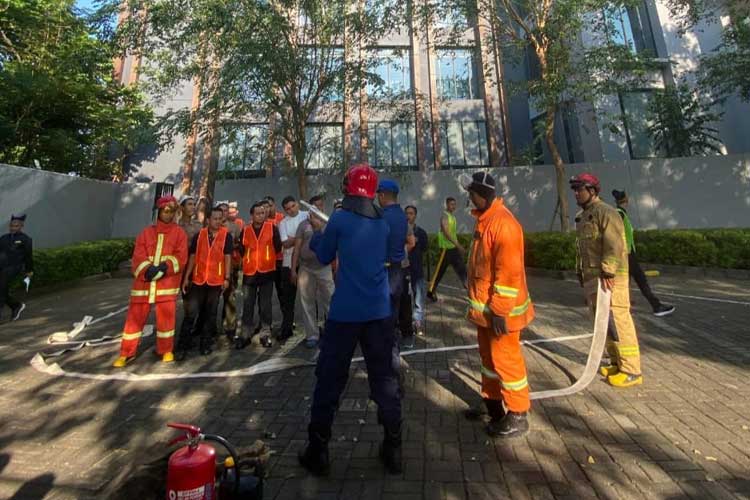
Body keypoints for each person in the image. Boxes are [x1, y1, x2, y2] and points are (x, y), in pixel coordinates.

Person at [299, 164, 402, 476]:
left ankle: (318, 450)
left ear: (348, 187)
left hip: (345, 314)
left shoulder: (340, 218)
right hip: (379, 312)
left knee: (330, 379)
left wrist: (318, 232)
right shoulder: (382, 223)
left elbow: (324, 254)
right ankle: (393, 447)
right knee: (384, 380)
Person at [461, 172, 535, 438]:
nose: (469, 197)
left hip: (500, 314)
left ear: (481, 195)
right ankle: (492, 403)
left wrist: (500, 311)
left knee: (506, 361)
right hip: (486, 313)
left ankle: (518, 414)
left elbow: (508, 273)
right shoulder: (487, 219)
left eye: (471, 193)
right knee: (488, 360)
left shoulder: (502, 224)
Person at [571, 174, 643, 388]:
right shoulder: (585, 216)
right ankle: (616, 361)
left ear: (592, 190)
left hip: (611, 279)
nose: (576, 193)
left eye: (579, 189)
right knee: (603, 322)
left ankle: (632, 370)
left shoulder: (606, 213)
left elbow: (615, 245)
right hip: (594, 278)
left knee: (618, 321)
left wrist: (609, 271)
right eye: (574, 189)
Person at [113, 196, 188, 367]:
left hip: (166, 285)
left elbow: (181, 257)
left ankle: (166, 350)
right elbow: (138, 256)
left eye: (172, 212)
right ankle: (126, 352)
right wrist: (148, 270)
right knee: (134, 320)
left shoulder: (179, 234)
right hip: (143, 285)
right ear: (159, 212)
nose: (168, 215)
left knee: (166, 321)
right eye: (165, 211)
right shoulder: (146, 233)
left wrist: (164, 267)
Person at [176, 206, 233, 360]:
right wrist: (187, 277)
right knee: (191, 313)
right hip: (198, 279)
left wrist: (227, 277)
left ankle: (205, 344)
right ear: (208, 220)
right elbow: (193, 257)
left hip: (216, 281)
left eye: (220, 219)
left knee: (210, 314)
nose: (217, 221)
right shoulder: (199, 235)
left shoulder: (226, 236)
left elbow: (227, 257)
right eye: (214, 218)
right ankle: (182, 345)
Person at [611, 190, 675, 317]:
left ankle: (622, 306)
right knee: (641, 281)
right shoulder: (619, 214)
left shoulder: (620, 213)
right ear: (626, 200)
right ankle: (656, 306)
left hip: (626, 254)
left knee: (625, 282)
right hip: (627, 254)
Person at [291, 195, 334, 349]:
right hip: (306, 268)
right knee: (307, 301)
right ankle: (312, 335)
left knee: (329, 300)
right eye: (315, 206)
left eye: (321, 205)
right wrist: (293, 270)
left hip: (324, 267)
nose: (319, 208)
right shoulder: (303, 225)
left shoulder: (329, 224)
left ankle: (331, 332)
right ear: (310, 208)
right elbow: (296, 248)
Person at [236, 202, 282, 348]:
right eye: (257, 213)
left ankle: (265, 333)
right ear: (252, 215)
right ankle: (245, 334)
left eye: (263, 213)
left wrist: (266, 257)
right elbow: (242, 249)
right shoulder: (246, 230)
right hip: (250, 273)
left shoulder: (272, 228)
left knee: (265, 305)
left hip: (267, 271)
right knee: (248, 304)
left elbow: (277, 246)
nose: (261, 216)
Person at [376, 180, 413, 348]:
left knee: (383, 314)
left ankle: (388, 349)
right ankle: (392, 342)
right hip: (398, 269)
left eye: (378, 195)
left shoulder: (382, 216)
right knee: (394, 310)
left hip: (384, 270)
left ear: (382, 195)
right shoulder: (401, 215)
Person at [278, 196, 308, 342]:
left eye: (293, 206)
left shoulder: (307, 215)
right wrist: (301, 238)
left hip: (306, 263)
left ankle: (312, 330)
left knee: (309, 299)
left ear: (297, 204)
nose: (291, 210)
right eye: (287, 208)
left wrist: (294, 238)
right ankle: (286, 328)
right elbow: (285, 244)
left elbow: (310, 237)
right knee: (288, 300)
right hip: (288, 264)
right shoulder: (282, 223)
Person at [427, 197, 468, 302]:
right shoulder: (445, 216)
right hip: (445, 250)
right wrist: (459, 245)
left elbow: (453, 234)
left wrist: (457, 247)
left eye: (454, 204)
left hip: (453, 249)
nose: (453, 206)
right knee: (439, 272)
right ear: (447, 205)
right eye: (451, 204)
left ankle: (470, 291)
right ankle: (430, 292)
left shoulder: (452, 217)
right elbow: (446, 233)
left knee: (462, 270)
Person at [0, 214, 33, 322]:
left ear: (21, 226)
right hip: (2, 267)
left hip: (15, 268)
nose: (13, 228)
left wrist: (29, 271)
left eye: (16, 226)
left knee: (1, 288)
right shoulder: (3, 238)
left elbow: (28, 256)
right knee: (2, 290)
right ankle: (16, 306)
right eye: (11, 226)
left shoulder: (26, 239)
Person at [218, 201, 243, 342]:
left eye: (226, 211)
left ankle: (230, 326)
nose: (223, 213)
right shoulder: (210, 227)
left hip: (230, 266)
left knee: (230, 296)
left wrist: (230, 246)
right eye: (221, 210)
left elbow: (240, 243)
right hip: (213, 268)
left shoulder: (234, 226)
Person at [405, 205, 428, 337]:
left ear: (415, 215)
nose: (409, 216)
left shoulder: (421, 232)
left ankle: (417, 322)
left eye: (411, 213)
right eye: (407, 213)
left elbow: (424, 248)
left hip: (417, 269)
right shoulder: (400, 231)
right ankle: (405, 324)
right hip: (403, 269)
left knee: (418, 298)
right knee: (404, 298)